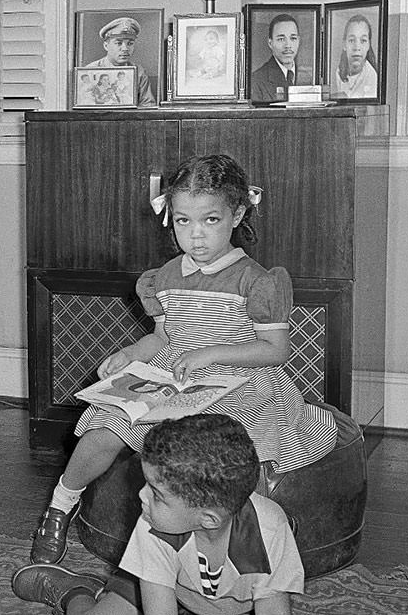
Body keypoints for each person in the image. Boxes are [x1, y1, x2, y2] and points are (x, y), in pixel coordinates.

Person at [27, 153, 337, 566]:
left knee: (232, 448)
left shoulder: (257, 281)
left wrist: (209, 353)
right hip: (175, 374)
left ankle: (245, 536)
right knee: (104, 427)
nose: (196, 236)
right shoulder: (164, 278)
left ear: (238, 213)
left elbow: (275, 351)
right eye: (182, 221)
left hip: (241, 378)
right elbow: (163, 337)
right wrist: (130, 353)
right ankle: (61, 504)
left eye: (210, 220)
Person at [12, 414, 315, 615]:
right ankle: (76, 590)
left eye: (156, 494)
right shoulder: (154, 524)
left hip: (219, 608)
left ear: (209, 518)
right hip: (157, 594)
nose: (142, 497)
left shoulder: (269, 528)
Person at [84, 17, 157, 106]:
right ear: (106, 46)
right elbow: (85, 104)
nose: (125, 49)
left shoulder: (139, 72)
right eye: (118, 43)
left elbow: (148, 106)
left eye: (130, 44)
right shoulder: (91, 71)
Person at [249, 14, 301, 104]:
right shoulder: (256, 81)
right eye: (281, 39)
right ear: (270, 43)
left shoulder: (309, 77)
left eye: (293, 38)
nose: (288, 45)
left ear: (298, 41)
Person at [333, 15, 378, 99]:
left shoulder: (373, 78)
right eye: (351, 40)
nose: (357, 47)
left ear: (369, 45)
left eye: (363, 41)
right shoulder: (339, 71)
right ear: (344, 44)